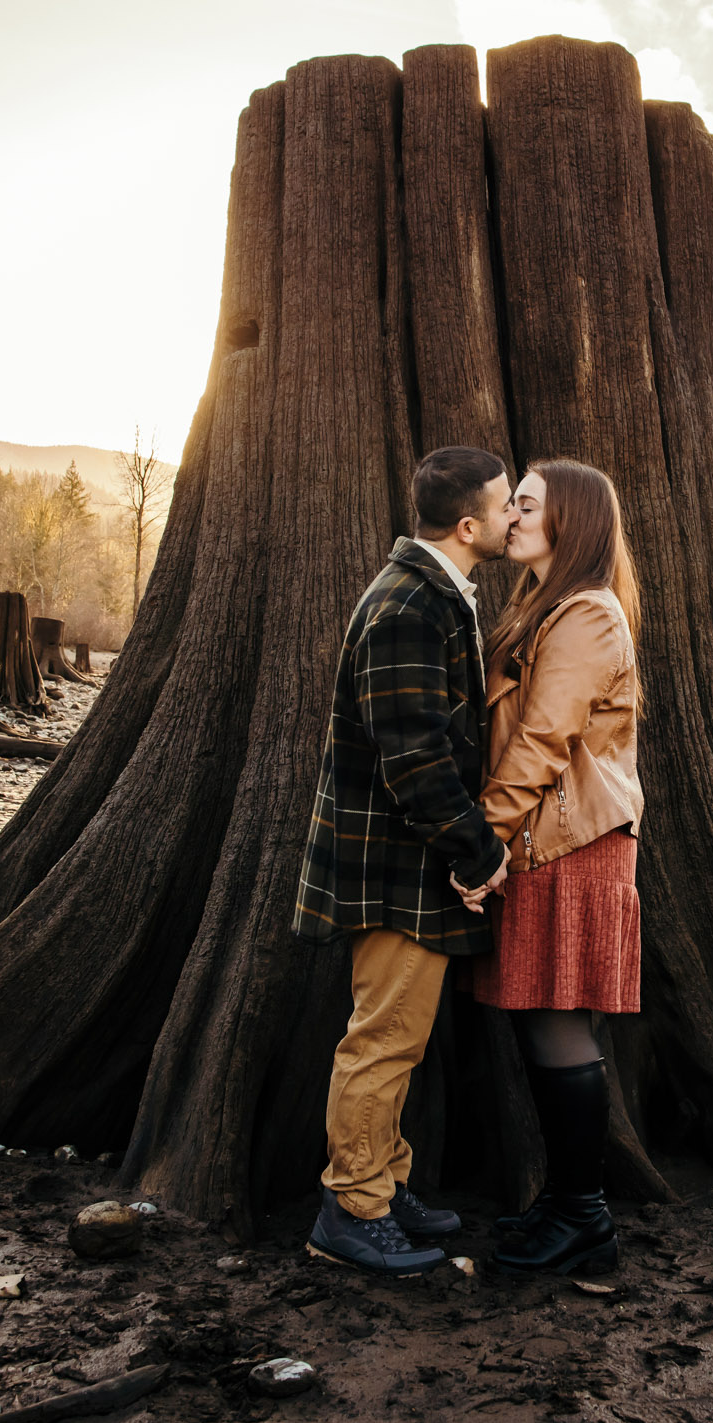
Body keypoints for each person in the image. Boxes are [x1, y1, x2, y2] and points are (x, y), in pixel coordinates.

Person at [295, 445, 513, 1277]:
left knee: (402, 1037)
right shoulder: (408, 607)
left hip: (405, 861)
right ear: (468, 525)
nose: (512, 518)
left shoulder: (435, 593)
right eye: (503, 507)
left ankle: (385, 1183)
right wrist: (477, 849)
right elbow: (413, 757)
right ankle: (351, 1208)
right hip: (392, 866)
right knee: (383, 1038)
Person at [454, 457, 644, 1276]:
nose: (514, 515)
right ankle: (568, 1206)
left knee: (559, 1018)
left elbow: (542, 741)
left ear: (571, 519)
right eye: (514, 504)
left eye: (529, 504)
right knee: (541, 1018)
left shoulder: (589, 614)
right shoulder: (543, 606)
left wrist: (481, 841)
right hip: (538, 841)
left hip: (570, 844)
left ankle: (585, 1218)